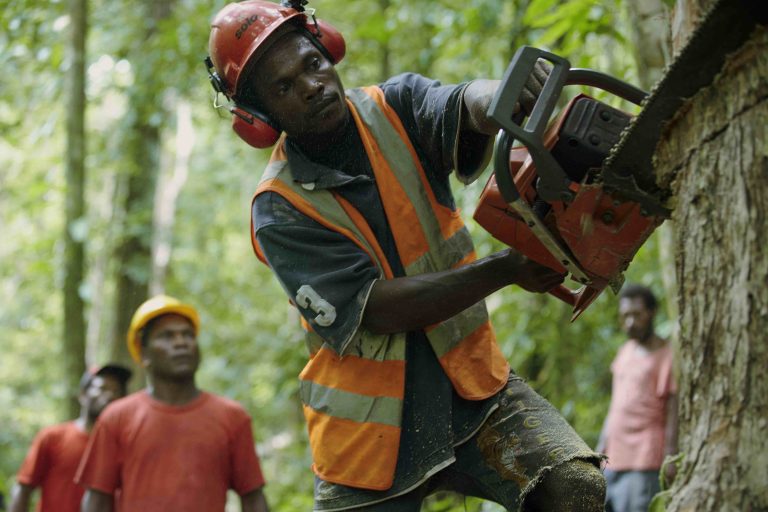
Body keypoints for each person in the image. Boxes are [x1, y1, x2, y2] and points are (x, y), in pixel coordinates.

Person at [206, 1, 606, 510]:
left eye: (311, 63)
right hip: (369, 440)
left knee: (574, 488)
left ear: (327, 51)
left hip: (473, 390)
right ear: (259, 116)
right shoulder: (279, 210)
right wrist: (505, 269)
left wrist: (503, 96)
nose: (310, 85)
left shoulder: (397, 106)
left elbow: (464, 104)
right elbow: (377, 309)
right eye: (284, 87)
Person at [75, 295, 269, 512]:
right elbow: (97, 499)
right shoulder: (116, 418)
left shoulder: (233, 417)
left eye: (188, 335)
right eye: (167, 336)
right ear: (144, 352)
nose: (181, 342)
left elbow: (253, 497)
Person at [597, 284, 678, 512]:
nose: (631, 322)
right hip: (613, 459)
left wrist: (670, 456)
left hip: (644, 459)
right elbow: (616, 407)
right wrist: (600, 450)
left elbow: (673, 409)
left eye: (637, 314)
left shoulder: (666, 355)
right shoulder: (624, 352)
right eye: (625, 316)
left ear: (651, 313)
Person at [9, 363, 132, 512]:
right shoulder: (52, 437)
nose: (110, 395)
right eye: (102, 388)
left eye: (117, 391)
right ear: (82, 394)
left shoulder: (125, 446)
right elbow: (23, 488)